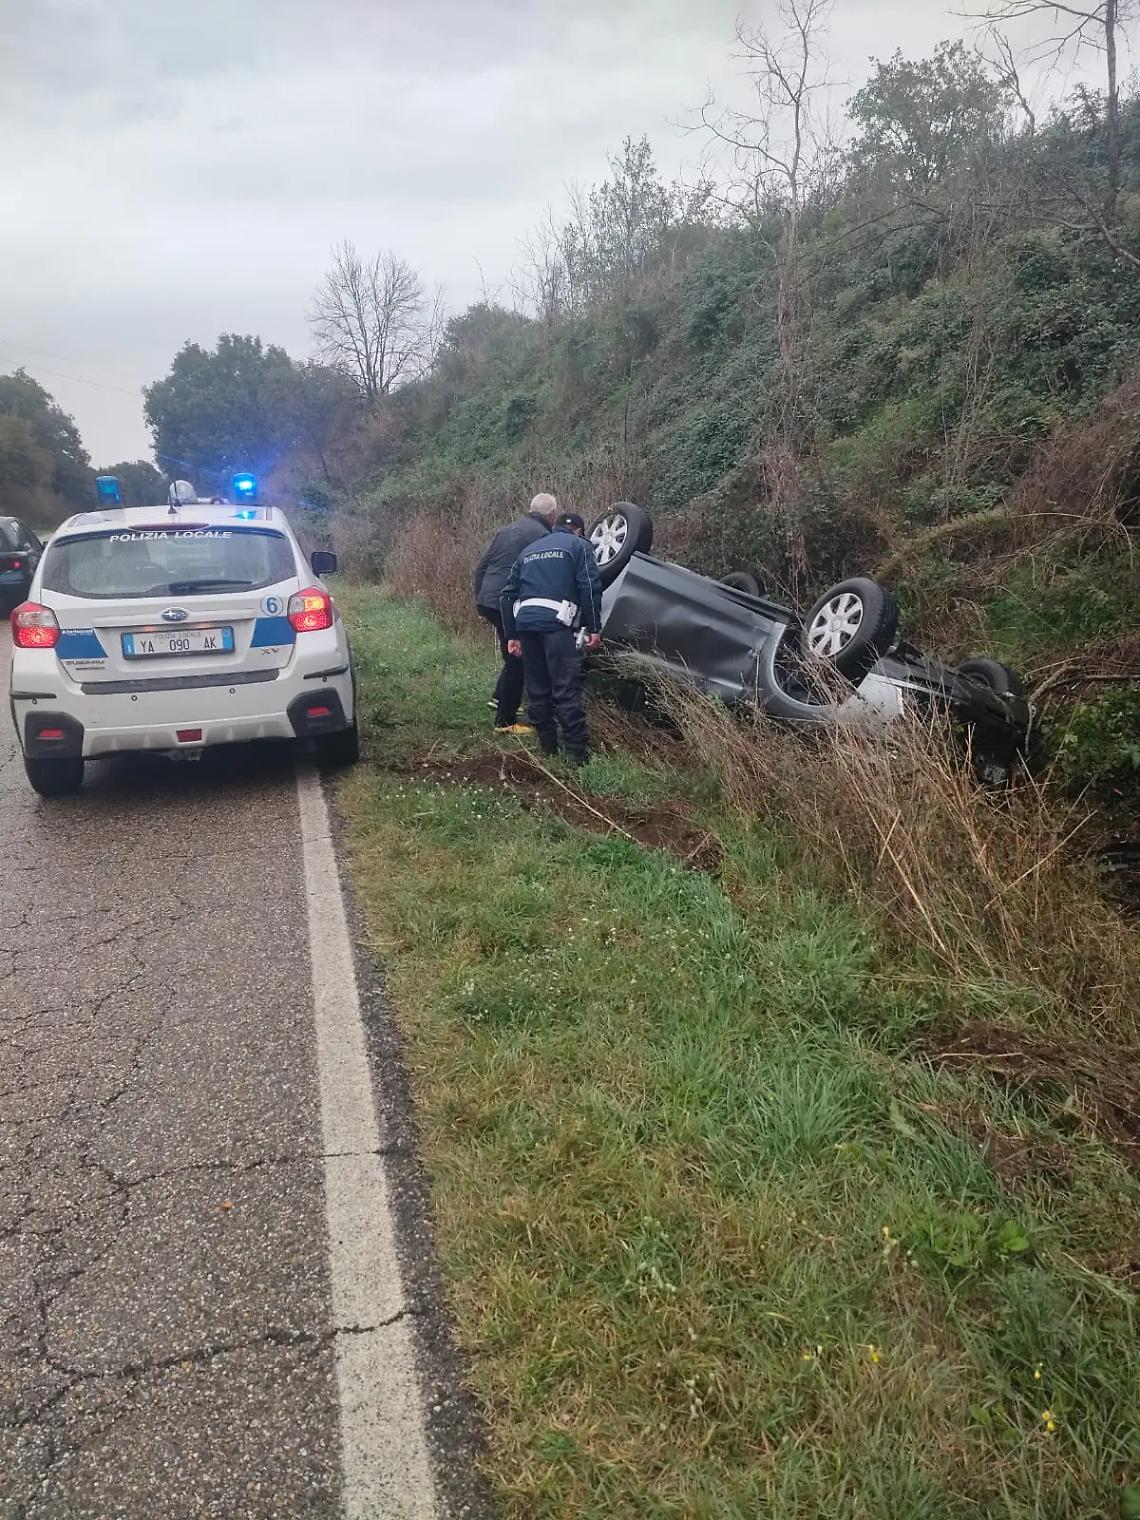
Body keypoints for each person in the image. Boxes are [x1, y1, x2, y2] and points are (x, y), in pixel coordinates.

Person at [500, 511, 602, 763]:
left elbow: (506, 595)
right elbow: (589, 586)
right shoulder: (579, 546)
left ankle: (548, 749)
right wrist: (593, 627)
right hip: (557, 625)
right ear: (578, 530)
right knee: (565, 687)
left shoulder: (529, 551)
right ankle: (578, 756)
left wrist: (512, 634)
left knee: (537, 688)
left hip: (526, 624)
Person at [473, 492, 558, 732]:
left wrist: (481, 599)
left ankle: (500, 698)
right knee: (519, 659)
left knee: (513, 655)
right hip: (511, 601)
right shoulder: (543, 536)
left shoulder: (507, 530)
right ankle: (506, 720)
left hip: (489, 599)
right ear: (552, 514)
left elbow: (482, 567)